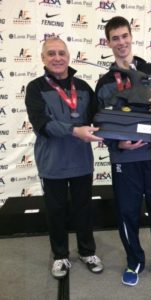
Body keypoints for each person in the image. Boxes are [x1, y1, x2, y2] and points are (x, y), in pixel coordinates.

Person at [95, 16, 151, 287]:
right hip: (124, 161)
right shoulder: (105, 82)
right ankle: (135, 262)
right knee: (127, 214)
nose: (121, 42)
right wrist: (115, 144)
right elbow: (100, 124)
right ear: (108, 43)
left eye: (124, 36)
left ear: (131, 36)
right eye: (115, 38)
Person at [25, 37, 104, 279]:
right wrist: (74, 130)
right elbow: (42, 124)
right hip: (52, 164)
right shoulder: (36, 88)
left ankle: (86, 251)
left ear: (69, 57)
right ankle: (60, 256)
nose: (57, 58)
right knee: (56, 211)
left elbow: (99, 117)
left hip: (81, 161)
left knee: (83, 209)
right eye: (51, 53)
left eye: (61, 53)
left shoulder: (82, 87)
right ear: (43, 59)